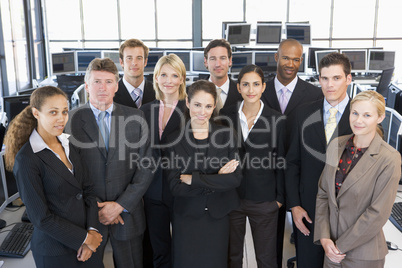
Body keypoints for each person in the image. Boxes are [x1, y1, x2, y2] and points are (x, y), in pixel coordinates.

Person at [65, 58, 154, 268]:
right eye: (96, 81)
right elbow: (69, 172)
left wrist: (120, 205)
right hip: (88, 218)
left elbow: (147, 166)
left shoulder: (136, 118)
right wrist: (97, 209)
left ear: (116, 85)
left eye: (108, 81)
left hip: (127, 215)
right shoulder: (70, 122)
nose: (102, 88)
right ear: (87, 86)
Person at [4, 86, 103, 267]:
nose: (61, 118)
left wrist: (92, 230)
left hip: (88, 245)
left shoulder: (68, 144)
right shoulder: (27, 159)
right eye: (53, 112)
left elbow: (88, 190)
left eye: (64, 111)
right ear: (36, 113)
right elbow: (41, 217)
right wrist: (85, 238)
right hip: (55, 252)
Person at [314, 90, 401, 268]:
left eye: (367, 115)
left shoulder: (389, 158)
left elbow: (377, 213)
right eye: (355, 113)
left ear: (380, 117)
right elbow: (323, 193)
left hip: (363, 255)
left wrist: (340, 246)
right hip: (330, 249)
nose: (358, 120)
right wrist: (324, 237)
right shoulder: (336, 145)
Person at [285, 52, 353, 268]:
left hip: (348, 213)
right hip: (309, 211)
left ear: (348, 79)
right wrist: (294, 206)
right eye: (324, 78)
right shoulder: (303, 112)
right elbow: (292, 162)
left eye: (336, 78)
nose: (329, 85)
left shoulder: (361, 115)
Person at [260, 38, 323, 267]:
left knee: (305, 231)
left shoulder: (315, 94)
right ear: (276, 57)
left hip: (301, 172)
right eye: (286, 58)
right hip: (268, 174)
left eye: (296, 59)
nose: (290, 64)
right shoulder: (260, 89)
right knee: (270, 239)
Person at [166, 80, 242, 268]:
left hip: (218, 216)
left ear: (214, 106)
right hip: (187, 217)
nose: (202, 112)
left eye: (208, 106)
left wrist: (195, 179)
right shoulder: (173, 140)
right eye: (197, 105)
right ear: (188, 103)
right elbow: (175, 186)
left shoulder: (226, 135)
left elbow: (234, 179)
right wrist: (217, 178)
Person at [220, 64, 286, 268]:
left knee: (266, 258)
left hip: (265, 199)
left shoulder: (277, 119)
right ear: (238, 87)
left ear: (263, 87)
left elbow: (282, 160)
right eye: (246, 85)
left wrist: (279, 199)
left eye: (256, 84)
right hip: (232, 197)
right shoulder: (225, 115)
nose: (251, 90)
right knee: (232, 256)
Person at [140, 54, 187, 268]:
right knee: (159, 249)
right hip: (153, 192)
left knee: (182, 247)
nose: (169, 80)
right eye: (163, 75)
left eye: (174, 75)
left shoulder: (190, 110)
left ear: (181, 79)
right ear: (156, 78)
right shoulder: (144, 110)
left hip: (180, 189)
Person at [114, 38, 155, 109]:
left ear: (145, 62)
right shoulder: (111, 95)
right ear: (121, 62)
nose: (134, 63)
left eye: (139, 58)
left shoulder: (157, 93)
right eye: (129, 58)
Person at [203, 39, 242, 113]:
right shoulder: (193, 92)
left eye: (223, 58)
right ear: (206, 62)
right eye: (213, 59)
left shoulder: (242, 92)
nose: (218, 64)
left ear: (230, 61)